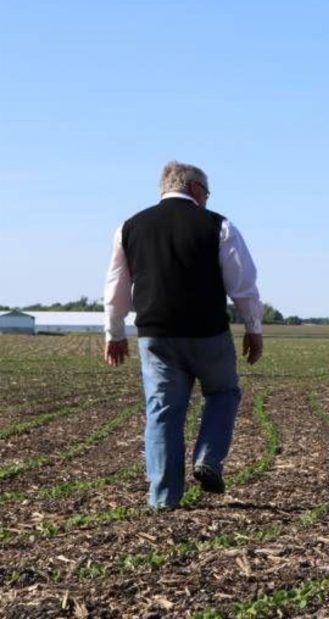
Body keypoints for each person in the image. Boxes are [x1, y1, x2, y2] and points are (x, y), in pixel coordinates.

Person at [103, 160, 264, 510]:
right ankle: (208, 458)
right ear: (194, 189)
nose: (207, 199)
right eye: (206, 193)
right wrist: (254, 328)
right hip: (208, 333)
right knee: (223, 392)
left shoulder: (129, 227)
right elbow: (243, 284)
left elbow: (116, 288)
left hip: (156, 337)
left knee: (163, 411)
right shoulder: (219, 226)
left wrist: (114, 333)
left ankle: (163, 499)